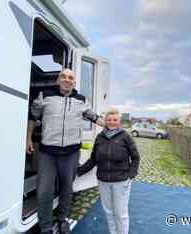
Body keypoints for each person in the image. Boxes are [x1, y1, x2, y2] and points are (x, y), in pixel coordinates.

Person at [26, 68, 104, 234]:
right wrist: (28, 139)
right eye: (63, 76)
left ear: (74, 82)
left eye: (71, 78)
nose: (67, 80)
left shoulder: (81, 100)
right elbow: (33, 117)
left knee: (67, 189)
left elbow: (93, 117)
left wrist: (111, 126)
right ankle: (46, 227)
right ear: (58, 80)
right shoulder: (45, 96)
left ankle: (62, 220)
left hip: (71, 153)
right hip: (48, 153)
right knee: (44, 191)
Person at [77, 108, 140, 234]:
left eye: (115, 120)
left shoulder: (125, 136)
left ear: (119, 121)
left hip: (121, 181)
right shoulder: (100, 138)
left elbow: (136, 157)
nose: (112, 122)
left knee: (120, 213)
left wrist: (130, 175)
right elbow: (93, 160)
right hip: (103, 181)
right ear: (105, 121)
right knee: (109, 212)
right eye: (109, 120)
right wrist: (77, 171)